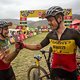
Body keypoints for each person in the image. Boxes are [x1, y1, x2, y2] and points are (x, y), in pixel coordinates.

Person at [18, 6, 80, 80]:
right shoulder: (51, 35)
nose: (49, 23)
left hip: (71, 72)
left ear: (60, 18)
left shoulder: (74, 34)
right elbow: (38, 46)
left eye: (50, 20)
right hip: (55, 72)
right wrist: (24, 45)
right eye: (48, 21)